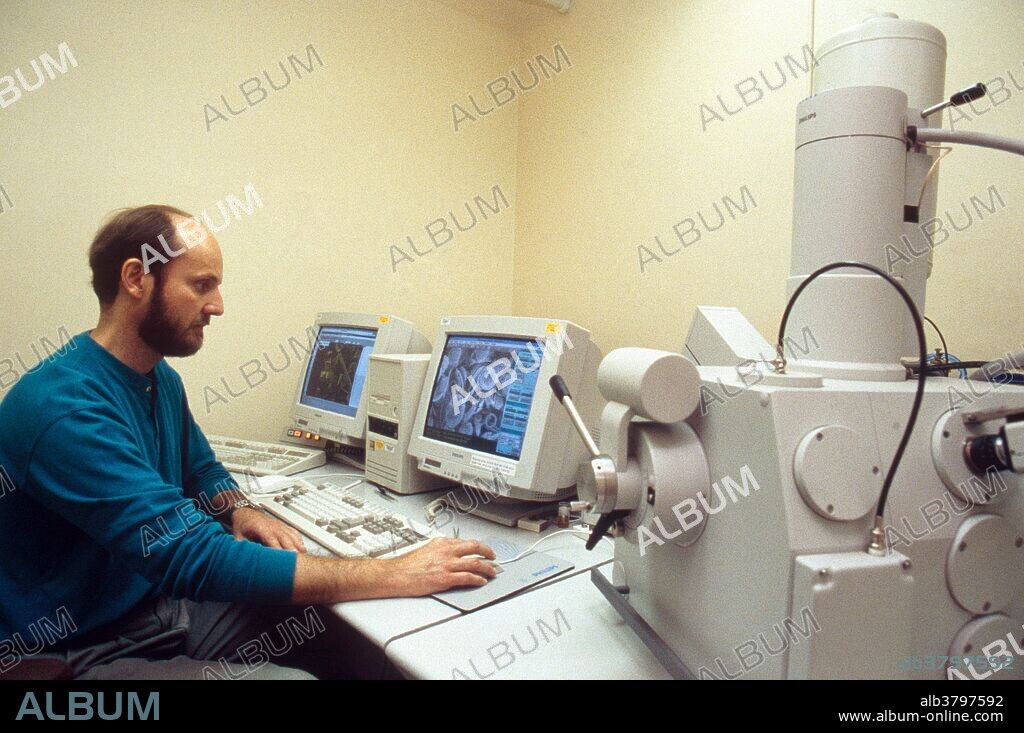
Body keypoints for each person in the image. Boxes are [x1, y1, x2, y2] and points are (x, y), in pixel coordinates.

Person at [0, 205, 496, 680]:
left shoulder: (157, 378)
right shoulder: (64, 409)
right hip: (80, 650)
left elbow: (203, 472)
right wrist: (392, 572)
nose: (217, 305)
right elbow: (190, 556)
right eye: (201, 286)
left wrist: (241, 510)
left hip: (155, 610)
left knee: (341, 637)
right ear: (136, 278)